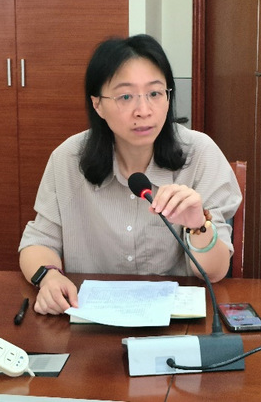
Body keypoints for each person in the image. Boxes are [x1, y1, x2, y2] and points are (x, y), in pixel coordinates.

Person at [18, 34, 242, 315]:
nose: (144, 111)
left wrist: (198, 226)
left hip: (175, 322)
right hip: (91, 321)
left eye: (155, 94)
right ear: (97, 104)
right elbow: (38, 242)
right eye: (125, 97)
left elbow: (216, 272)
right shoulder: (68, 159)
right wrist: (49, 277)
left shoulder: (199, 154)